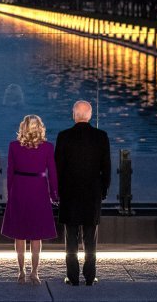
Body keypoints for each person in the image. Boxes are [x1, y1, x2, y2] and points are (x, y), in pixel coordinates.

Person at [54, 99, 111, 286]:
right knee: (90, 239)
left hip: (69, 195)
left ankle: (72, 277)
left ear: (74, 114)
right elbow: (107, 169)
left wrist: (57, 191)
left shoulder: (63, 137)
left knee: (70, 239)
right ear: (90, 115)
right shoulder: (101, 136)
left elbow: (58, 169)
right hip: (91, 195)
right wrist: (103, 191)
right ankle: (90, 276)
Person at [0, 114, 58, 285]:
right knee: (36, 234)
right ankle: (35, 272)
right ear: (40, 127)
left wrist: (10, 193)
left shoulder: (13, 146)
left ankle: (21, 272)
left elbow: (10, 172)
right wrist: (54, 193)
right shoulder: (47, 147)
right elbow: (52, 173)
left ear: (23, 128)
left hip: (19, 188)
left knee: (19, 233)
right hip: (39, 189)